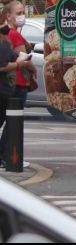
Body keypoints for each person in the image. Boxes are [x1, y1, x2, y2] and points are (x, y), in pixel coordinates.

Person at [0, 0, 36, 166]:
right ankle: (10, 156)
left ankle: (6, 156)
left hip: (14, 83)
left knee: (10, 122)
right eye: (19, 13)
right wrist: (32, 68)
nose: (22, 16)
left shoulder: (12, 34)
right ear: (8, 16)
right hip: (18, 83)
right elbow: (24, 60)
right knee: (13, 123)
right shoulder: (12, 34)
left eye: (23, 13)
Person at [0, 18, 21, 169]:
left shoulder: (5, 42)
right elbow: (2, 67)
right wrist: (18, 64)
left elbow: (13, 56)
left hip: (7, 89)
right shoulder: (3, 44)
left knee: (7, 122)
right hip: (2, 89)